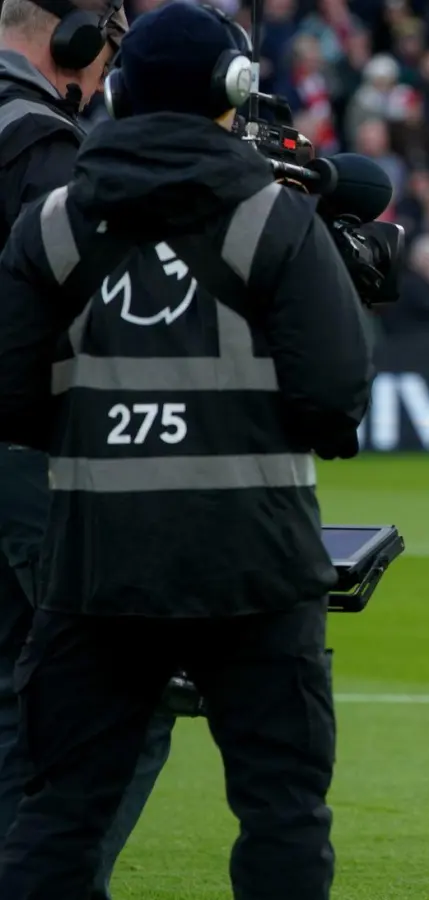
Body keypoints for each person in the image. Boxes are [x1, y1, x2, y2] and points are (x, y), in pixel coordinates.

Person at [0, 3, 372, 896]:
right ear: (234, 91)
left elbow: (11, 399)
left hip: (95, 567)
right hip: (258, 566)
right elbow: (334, 401)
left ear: (117, 91)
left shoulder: (50, 224)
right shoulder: (276, 222)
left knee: (58, 812)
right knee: (281, 811)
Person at [0, 3, 170, 898]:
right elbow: (91, 313)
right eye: (106, 53)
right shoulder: (43, 145)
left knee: (7, 691)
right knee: (123, 695)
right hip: (33, 456)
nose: (104, 77)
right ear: (70, 38)